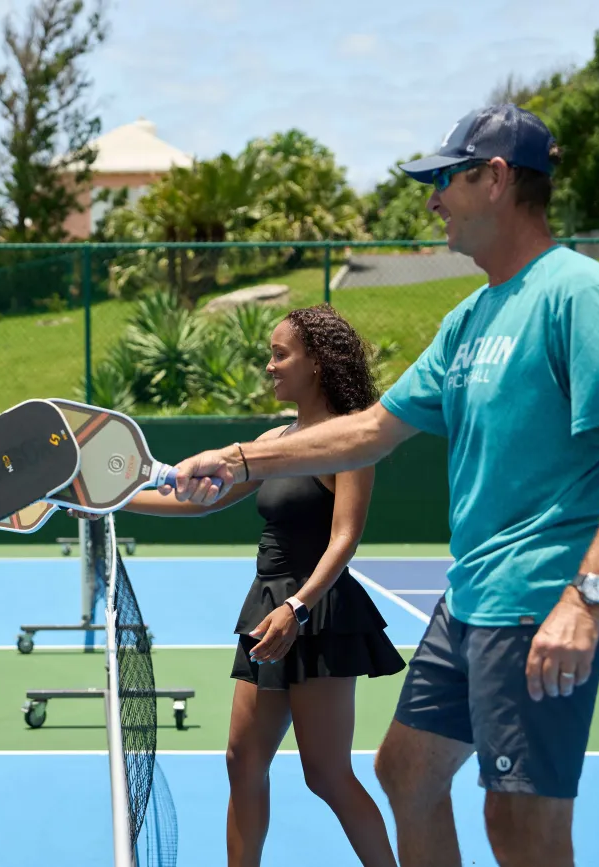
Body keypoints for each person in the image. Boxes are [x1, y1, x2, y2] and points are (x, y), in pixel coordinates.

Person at [166, 105, 599, 867]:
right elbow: (371, 429)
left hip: (542, 598)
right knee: (405, 771)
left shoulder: (577, 292)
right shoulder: (471, 316)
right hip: (472, 598)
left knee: (521, 828)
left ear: (498, 179)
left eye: (447, 178)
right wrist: (244, 457)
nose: (432, 198)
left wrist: (588, 597)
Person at [80, 306, 405, 866]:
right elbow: (195, 500)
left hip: (317, 613)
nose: (270, 366)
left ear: (318, 364)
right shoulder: (274, 439)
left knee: (326, 775)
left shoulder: (348, 438)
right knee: (241, 760)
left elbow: (345, 539)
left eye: (281, 355)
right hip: (266, 605)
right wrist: (101, 498)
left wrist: (298, 609)